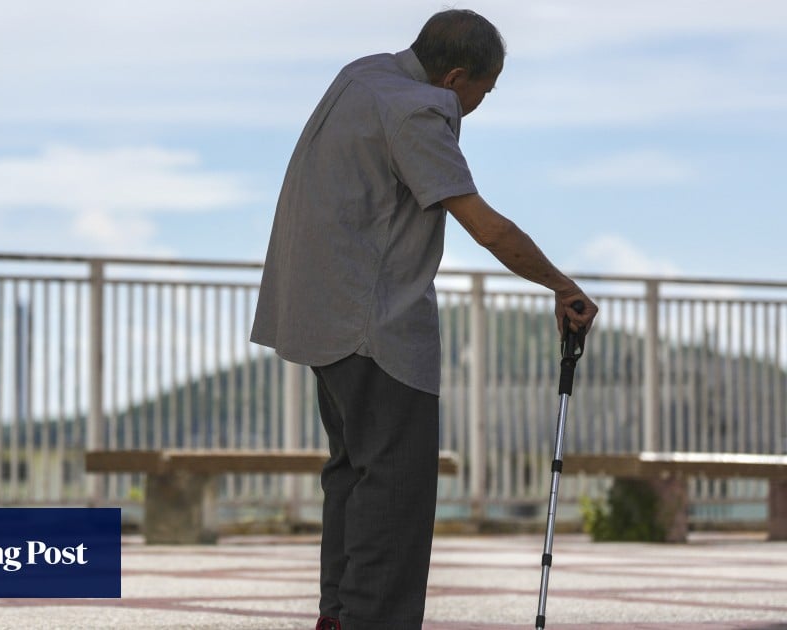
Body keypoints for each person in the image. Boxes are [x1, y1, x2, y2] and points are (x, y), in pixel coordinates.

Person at [250, 10, 599, 630]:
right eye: (479, 95)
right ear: (456, 76)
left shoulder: (360, 78)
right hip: (374, 328)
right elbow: (486, 227)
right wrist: (561, 284)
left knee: (354, 478)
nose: (474, 109)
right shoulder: (419, 109)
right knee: (396, 492)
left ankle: (340, 614)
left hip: (318, 315)